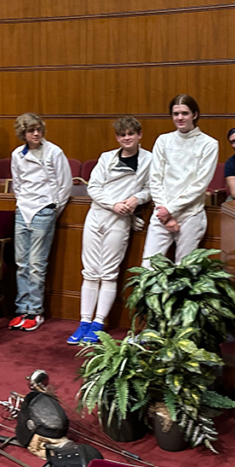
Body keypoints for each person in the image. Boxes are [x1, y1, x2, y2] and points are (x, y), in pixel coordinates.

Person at [69, 116, 151, 345]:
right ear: (117, 137)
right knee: (90, 271)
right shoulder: (106, 158)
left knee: (108, 272)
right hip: (97, 216)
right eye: (122, 134)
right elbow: (93, 187)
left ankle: (98, 323)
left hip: (121, 219)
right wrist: (112, 204)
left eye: (131, 134)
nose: (127, 138)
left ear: (139, 135)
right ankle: (84, 322)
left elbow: (150, 189)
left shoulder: (149, 160)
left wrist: (135, 199)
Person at [9, 113, 72, 332]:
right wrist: (23, 204)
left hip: (44, 210)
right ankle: (22, 309)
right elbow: (17, 184)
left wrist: (53, 209)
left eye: (38, 130)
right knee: (21, 263)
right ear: (23, 133)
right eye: (31, 131)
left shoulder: (54, 152)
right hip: (23, 209)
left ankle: (35, 311)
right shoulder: (17, 154)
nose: (36, 134)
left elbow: (65, 185)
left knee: (36, 264)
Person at [143, 94, 219, 267]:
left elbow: (200, 185)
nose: (180, 118)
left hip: (190, 214)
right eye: (176, 114)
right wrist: (164, 211)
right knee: (148, 268)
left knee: (183, 271)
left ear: (195, 115)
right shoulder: (163, 140)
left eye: (184, 113)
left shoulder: (209, 144)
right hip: (161, 213)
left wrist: (171, 209)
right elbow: (155, 179)